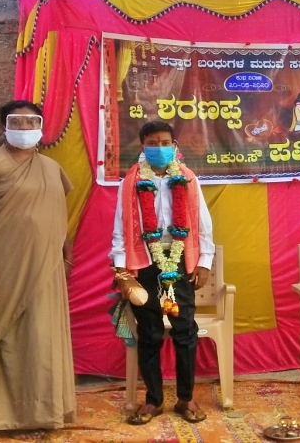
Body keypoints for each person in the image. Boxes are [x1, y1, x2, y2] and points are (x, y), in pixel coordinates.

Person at [0, 100, 76, 431]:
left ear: (41, 127)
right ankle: (5, 416)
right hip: (3, 268)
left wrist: (65, 255)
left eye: (32, 122)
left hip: (48, 268)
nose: (25, 128)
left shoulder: (52, 168)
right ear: (3, 126)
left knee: (44, 338)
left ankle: (48, 412)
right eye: (17, 121)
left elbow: (58, 214)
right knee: (8, 338)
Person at [110, 121, 214, 425]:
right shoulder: (129, 183)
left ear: (174, 145)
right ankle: (153, 400)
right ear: (143, 145)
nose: (159, 148)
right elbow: (120, 228)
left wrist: (205, 261)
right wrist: (121, 269)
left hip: (181, 260)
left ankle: (186, 398)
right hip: (143, 261)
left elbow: (202, 221)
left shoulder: (188, 178)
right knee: (151, 332)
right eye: (152, 142)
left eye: (165, 142)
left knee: (185, 330)